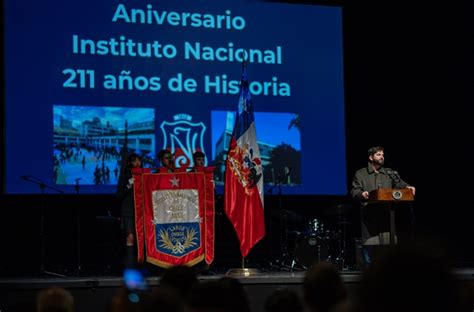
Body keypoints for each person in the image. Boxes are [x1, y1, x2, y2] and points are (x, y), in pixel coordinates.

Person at [350, 146, 416, 266]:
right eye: (378, 155)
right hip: (370, 218)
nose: (382, 157)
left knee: (387, 253)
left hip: (387, 217)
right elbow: (355, 191)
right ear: (371, 157)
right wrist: (361, 194)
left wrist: (408, 187)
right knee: (370, 252)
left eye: (382, 155)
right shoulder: (360, 173)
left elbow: (399, 183)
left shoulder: (389, 172)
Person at [116, 153, 142, 267]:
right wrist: (128, 185)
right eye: (134, 161)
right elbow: (118, 195)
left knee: (142, 238)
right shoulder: (125, 176)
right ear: (129, 163)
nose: (137, 163)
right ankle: (130, 265)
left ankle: (142, 264)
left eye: (138, 161)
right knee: (130, 237)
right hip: (129, 211)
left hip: (142, 211)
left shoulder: (144, 175)